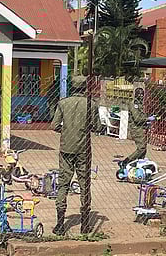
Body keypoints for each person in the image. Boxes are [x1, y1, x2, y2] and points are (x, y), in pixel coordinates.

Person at [51, 76, 101, 235]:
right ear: (85, 87)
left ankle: (60, 224)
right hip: (83, 149)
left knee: (63, 183)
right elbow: (97, 127)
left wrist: (66, 132)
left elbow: (54, 125)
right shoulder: (91, 104)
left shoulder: (63, 103)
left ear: (72, 87)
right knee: (84, 183)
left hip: (66, 147)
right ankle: (85, 224)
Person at [119, 87, 156, 168]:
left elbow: (141, 116)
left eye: (142, 94)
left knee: (144, 149)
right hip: (136, 129)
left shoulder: (140, 104)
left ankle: (139, 164)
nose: (141, 96)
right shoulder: (134, 104)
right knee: (141, 148)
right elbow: (137, 118)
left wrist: (147, 121)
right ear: (135, 94)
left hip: (141, 128)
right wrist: (147, 119)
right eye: (139, 94)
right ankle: (126, 161)